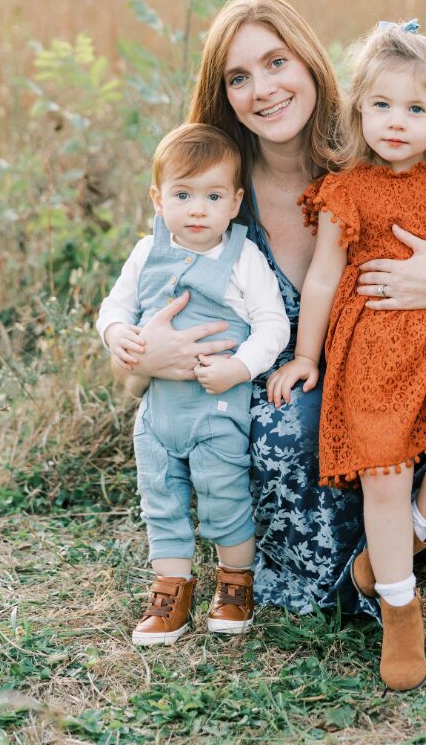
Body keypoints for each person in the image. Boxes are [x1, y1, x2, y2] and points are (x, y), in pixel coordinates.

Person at [114, 0, 426, 623]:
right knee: (285, 424)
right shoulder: (211, 193)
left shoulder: (380, 149)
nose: (263, 89)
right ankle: (345, 569)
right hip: (286, 396)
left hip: (401, 371)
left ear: (310, 62)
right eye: (239, 77)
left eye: (277, 62)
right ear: (223, 95)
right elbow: (133, 365)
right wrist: (146, 359)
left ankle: (414, 541)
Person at [266, 21, 426, 688]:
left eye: (416, 108)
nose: (397, 122)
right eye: (382, 105)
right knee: (384, 470)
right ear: (359, 109)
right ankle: (400, 606)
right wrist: (307, 356)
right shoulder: (348, 187)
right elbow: (322, 278)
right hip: (374, 344)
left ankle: (409, 537)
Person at [100, 124, 288, 643]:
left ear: (236, 203)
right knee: (160, 500)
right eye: (183, 195)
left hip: (217, 409)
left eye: (213, 196)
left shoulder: (242, 258)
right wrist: (117, 333)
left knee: (224, 497)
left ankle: (234, 584)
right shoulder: (145, 252)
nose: (198, 210)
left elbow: (273, 324)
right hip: (157, 414)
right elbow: (114, 307)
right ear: (158, 199)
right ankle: (171, 592)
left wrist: (240, 367)